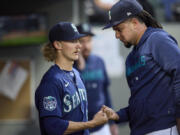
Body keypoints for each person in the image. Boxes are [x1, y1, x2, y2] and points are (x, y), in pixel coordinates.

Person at [102, 0, 180, 135]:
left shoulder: (156, 39)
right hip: (140, 129)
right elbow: (139, 102)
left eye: (119, 29)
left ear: (134, 23)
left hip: (164, 127)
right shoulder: (131, 58)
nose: (116, 35)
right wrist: (118, 115)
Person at [35, 22, 109, 135]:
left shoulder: (77, 74)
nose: (79, 45)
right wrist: (92, 123)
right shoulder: (51, 81)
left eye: (78, 40)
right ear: (58, 45)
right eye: (73, 41)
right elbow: (52, 126)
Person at [75, 23, 119, 135]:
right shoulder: (70, 66)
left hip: (101, 125)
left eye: (89, 41)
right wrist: (79, 65)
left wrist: (112, 123)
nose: (86, 46)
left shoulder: (99, 61)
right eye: (82, 41)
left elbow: (105, 92)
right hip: (79, 127)